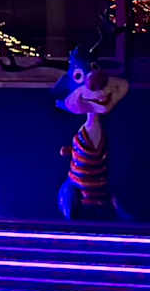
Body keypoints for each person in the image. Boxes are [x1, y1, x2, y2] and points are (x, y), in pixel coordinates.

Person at [54, 38, 129, 220]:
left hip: (95, 190)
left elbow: (90, 154)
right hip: (81, 192)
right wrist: (73, 150)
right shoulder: (88, 128)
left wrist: (72, 151)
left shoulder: (91, 129)